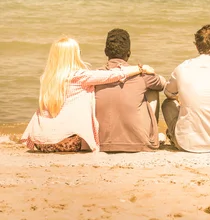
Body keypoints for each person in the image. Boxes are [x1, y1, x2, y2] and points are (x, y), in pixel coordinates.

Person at [21, 37, 154, 152]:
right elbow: (112, 75)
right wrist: (140, 68)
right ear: (73, 56)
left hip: (40, 142)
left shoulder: (47, 78)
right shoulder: (80, 76)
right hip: (66, 144)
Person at [162, 24, 210, 153]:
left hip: (186, 144)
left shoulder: (183, 67)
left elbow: (168, 92)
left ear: (197, 47)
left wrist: (181, 99)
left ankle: (173, 134)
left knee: (167, 104)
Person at [94, 29, 167, 152]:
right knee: (153, 90)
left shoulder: (95, 76)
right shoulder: (143, 76)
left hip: (100, 143)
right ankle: (152, 135)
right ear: (129, 53)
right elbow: (163, 84)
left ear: (106, 52)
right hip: (139, 144)